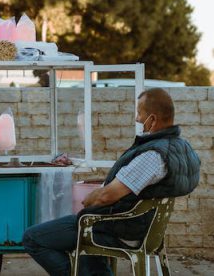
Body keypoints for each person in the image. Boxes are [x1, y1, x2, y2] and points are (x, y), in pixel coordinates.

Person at [23, 88, 201, 276]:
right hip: (139, 225)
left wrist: (90, 199)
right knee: (84, 237)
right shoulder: (181, 147)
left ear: (153, 119)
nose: (137, 119)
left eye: (140, 113)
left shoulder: (153, 156)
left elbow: (107, 196)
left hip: (123, 227)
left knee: (32, 238)